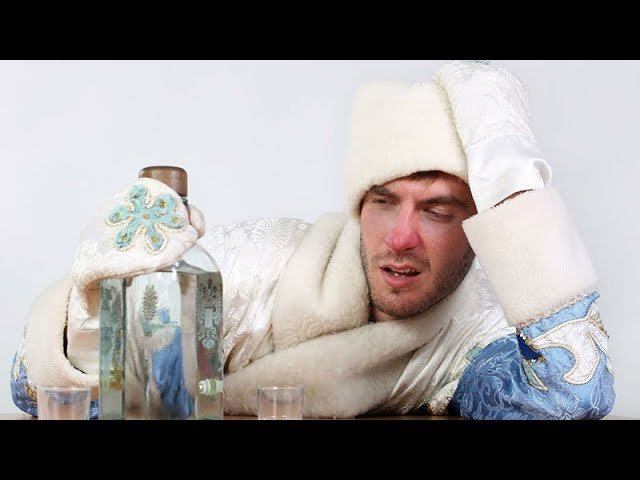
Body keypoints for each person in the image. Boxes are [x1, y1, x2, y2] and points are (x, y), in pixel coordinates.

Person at [10, 61, 615, 419]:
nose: (401, 237)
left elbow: (570, 395)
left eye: (437, 211)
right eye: (383, 203)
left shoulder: (472, 332)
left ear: (482, 227)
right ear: (359, 207)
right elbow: (35, 389)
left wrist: (508, 170)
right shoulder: (254, 265)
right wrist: (96, 312)